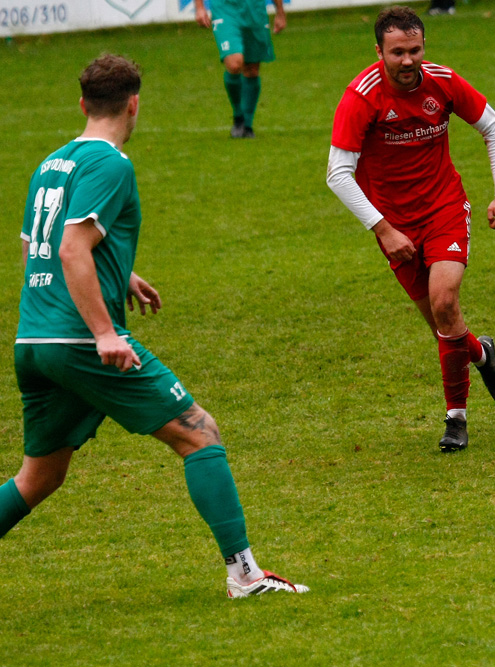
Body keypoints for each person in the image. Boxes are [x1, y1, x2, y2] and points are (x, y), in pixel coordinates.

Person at [0, 55, 307, 598]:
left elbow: (37, 249)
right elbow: (71, 249)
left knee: (39, 478)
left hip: (33, 338)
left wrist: (122, 275)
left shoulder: (50, 163)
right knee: (198, 432)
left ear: (82, 104)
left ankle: (246, 574)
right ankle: (246, 576)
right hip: (78, 341)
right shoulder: (112, 164)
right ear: (135, 103)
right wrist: (103, 332)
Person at [326, 6, 495, 452]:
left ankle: (456, 419)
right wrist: (384, 229)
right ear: (379, 52)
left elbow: (493, 126)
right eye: (397, 52)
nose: (407, 61)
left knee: (445, 301)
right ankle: (482, 353)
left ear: (423, 47)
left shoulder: (443, 82)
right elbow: (338, 172)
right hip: (394, 225)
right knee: (444, 327)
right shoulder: (362, 96)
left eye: (414, 50)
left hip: (443, 206)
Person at [194, 0, 286, 138]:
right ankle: (238, 117)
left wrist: (280, 11)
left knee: (252, 69)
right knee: (234, 64)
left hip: (254, 10)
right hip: (225, 8)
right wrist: (200, 8)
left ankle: (246, 126)